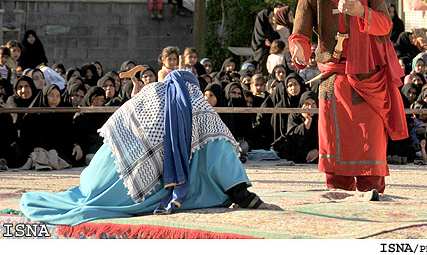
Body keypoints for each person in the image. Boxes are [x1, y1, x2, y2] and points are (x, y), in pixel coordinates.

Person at [20, 70, 279, 225]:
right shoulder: (195, 103)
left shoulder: (153, 92)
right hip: (136, 189)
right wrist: (244, 195)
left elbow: (118, 128)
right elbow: (220, 150)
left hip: (99, 175)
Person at [288, 0, 406, 192]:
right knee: (335, 160)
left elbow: (386, 27)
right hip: (333, 83)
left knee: (370, 155)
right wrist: (298, 49)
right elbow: (300, 34)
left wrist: (362, 12)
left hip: (368, 82)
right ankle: (339, 213)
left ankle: (373, 204)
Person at [251, 3, 285, 74]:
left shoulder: (270, 30)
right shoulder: (261, 34)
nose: (272, 19)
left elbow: (276, 37)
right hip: (262, 54)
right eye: (270, 17)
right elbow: (263, 39)